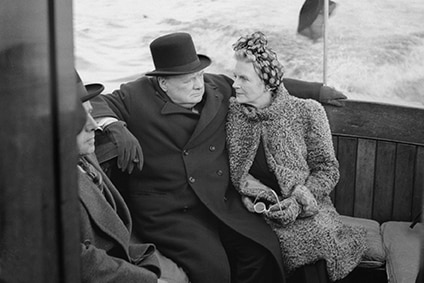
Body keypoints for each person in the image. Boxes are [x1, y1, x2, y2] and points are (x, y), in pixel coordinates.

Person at [90, 32, 347, 283]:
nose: (197, 85)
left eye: (199, 75)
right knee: (214, 270)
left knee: (261, 251)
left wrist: (318, 90)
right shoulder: (136, 96)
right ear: (163, 82)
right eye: (187, 80)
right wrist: (114, 126)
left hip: (219, 200)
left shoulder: (217, 87)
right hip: (169, 209)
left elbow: (264, 82)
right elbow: (96, 101)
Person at [225, 31, 366, 283]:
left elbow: (327, 169)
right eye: (235, 76)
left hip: (305, 206)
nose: (234, 84)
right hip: (253, 210)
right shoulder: (233, 113)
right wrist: (247, 198)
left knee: (316, 250)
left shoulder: (307, 112)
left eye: (243, 78)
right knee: (257, 255)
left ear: (268, 84)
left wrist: (299, 202)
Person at [75, 72, 188, 283]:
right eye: (80, 119)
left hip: (127, 252)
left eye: (91, 114)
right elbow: (74, 259)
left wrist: (112, 124)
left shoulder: (83, 152)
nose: (94, 125)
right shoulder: (38, 183)